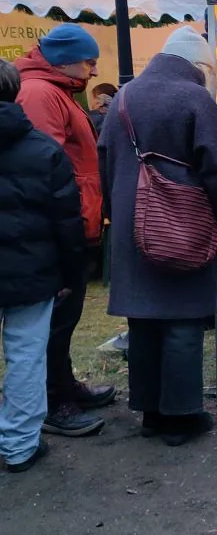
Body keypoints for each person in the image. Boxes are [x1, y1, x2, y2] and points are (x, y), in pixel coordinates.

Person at [98, 26, 217, 446]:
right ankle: (181, 416)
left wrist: (118, 211)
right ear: (199, 66)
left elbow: (104, 157)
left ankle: (151, 413)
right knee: (181, 319)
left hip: (129, 224)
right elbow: (216, 166)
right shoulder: (194, 97)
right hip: (182, 223)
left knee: (142, 321)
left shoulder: (122, 96)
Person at [15, 24, 114, 437]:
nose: (94, 71)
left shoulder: (56, 91)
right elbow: (45, 167)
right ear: (65, 59)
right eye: (89, 61)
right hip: (61, 223)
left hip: (76, 218)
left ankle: (63, 384)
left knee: (67, 316)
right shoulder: (40, 94)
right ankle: (55, 401)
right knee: (56, 317)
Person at [0, 60, 86, 472]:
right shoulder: (43, 150)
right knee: (26, 357)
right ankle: (18, 445)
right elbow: (67, 221)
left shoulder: (42, 148)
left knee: (27, 356)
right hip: (30, 273)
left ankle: (19, 443)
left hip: (30, 270)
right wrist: (72, 274)